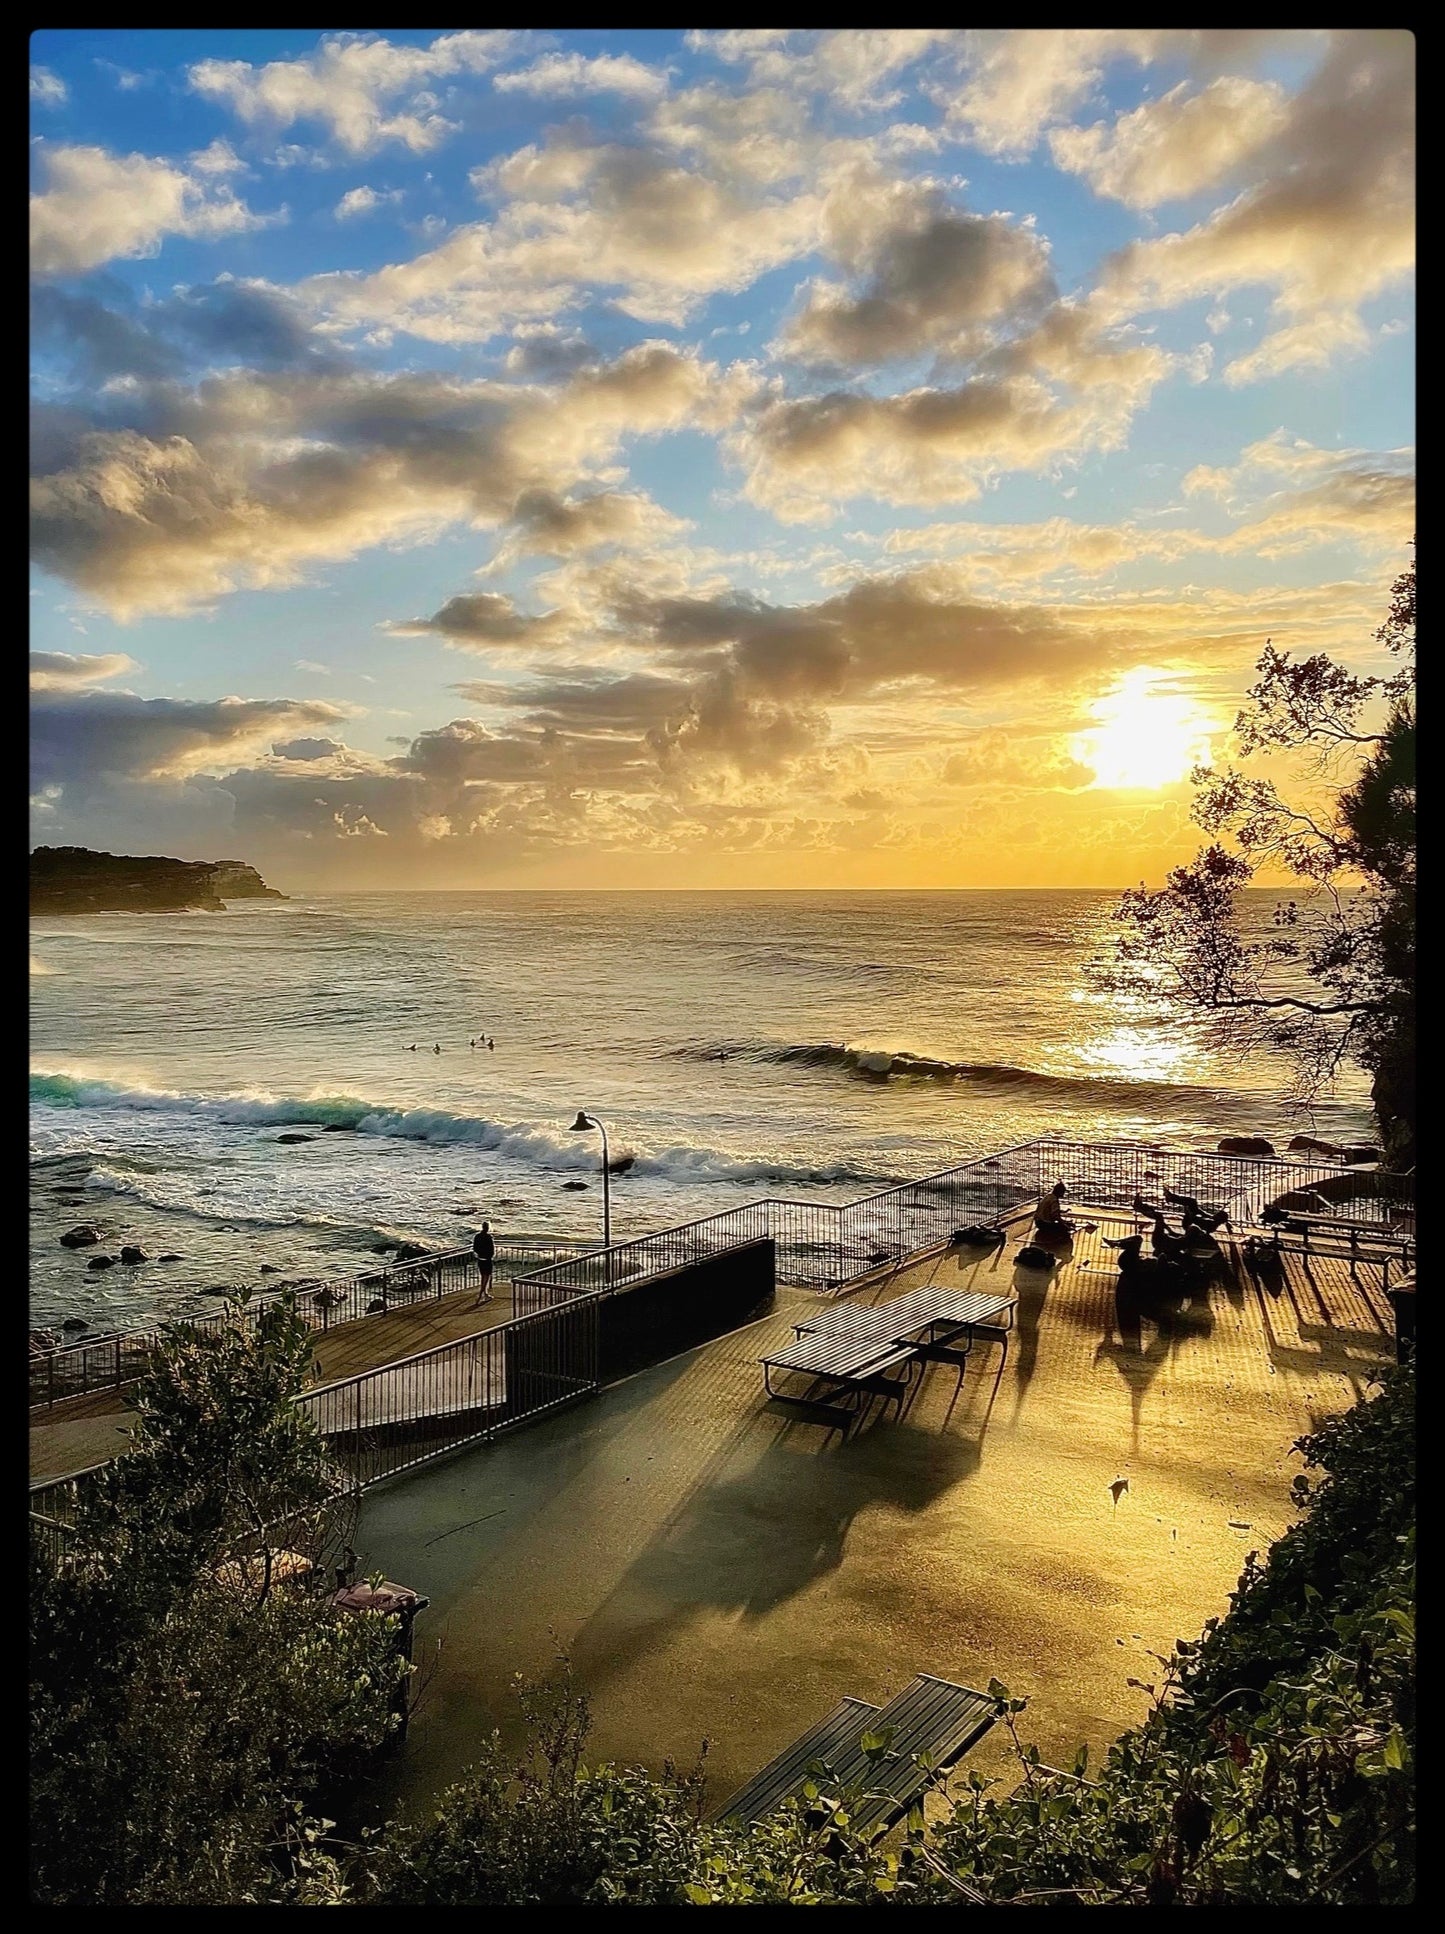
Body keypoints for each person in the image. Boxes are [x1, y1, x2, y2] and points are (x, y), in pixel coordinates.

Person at [470, 1220, 496, 1307]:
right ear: (488, 1228)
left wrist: (480, 1254)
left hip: (480, 1259)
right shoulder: (489, 1237)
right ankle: (481, 1295)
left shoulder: (477, 1236)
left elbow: (475, 1248)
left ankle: (485, 1294)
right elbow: (492, 1250)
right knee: (486, 1277)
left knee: (483, 1277)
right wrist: (490, 1255)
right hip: (487, 1260)